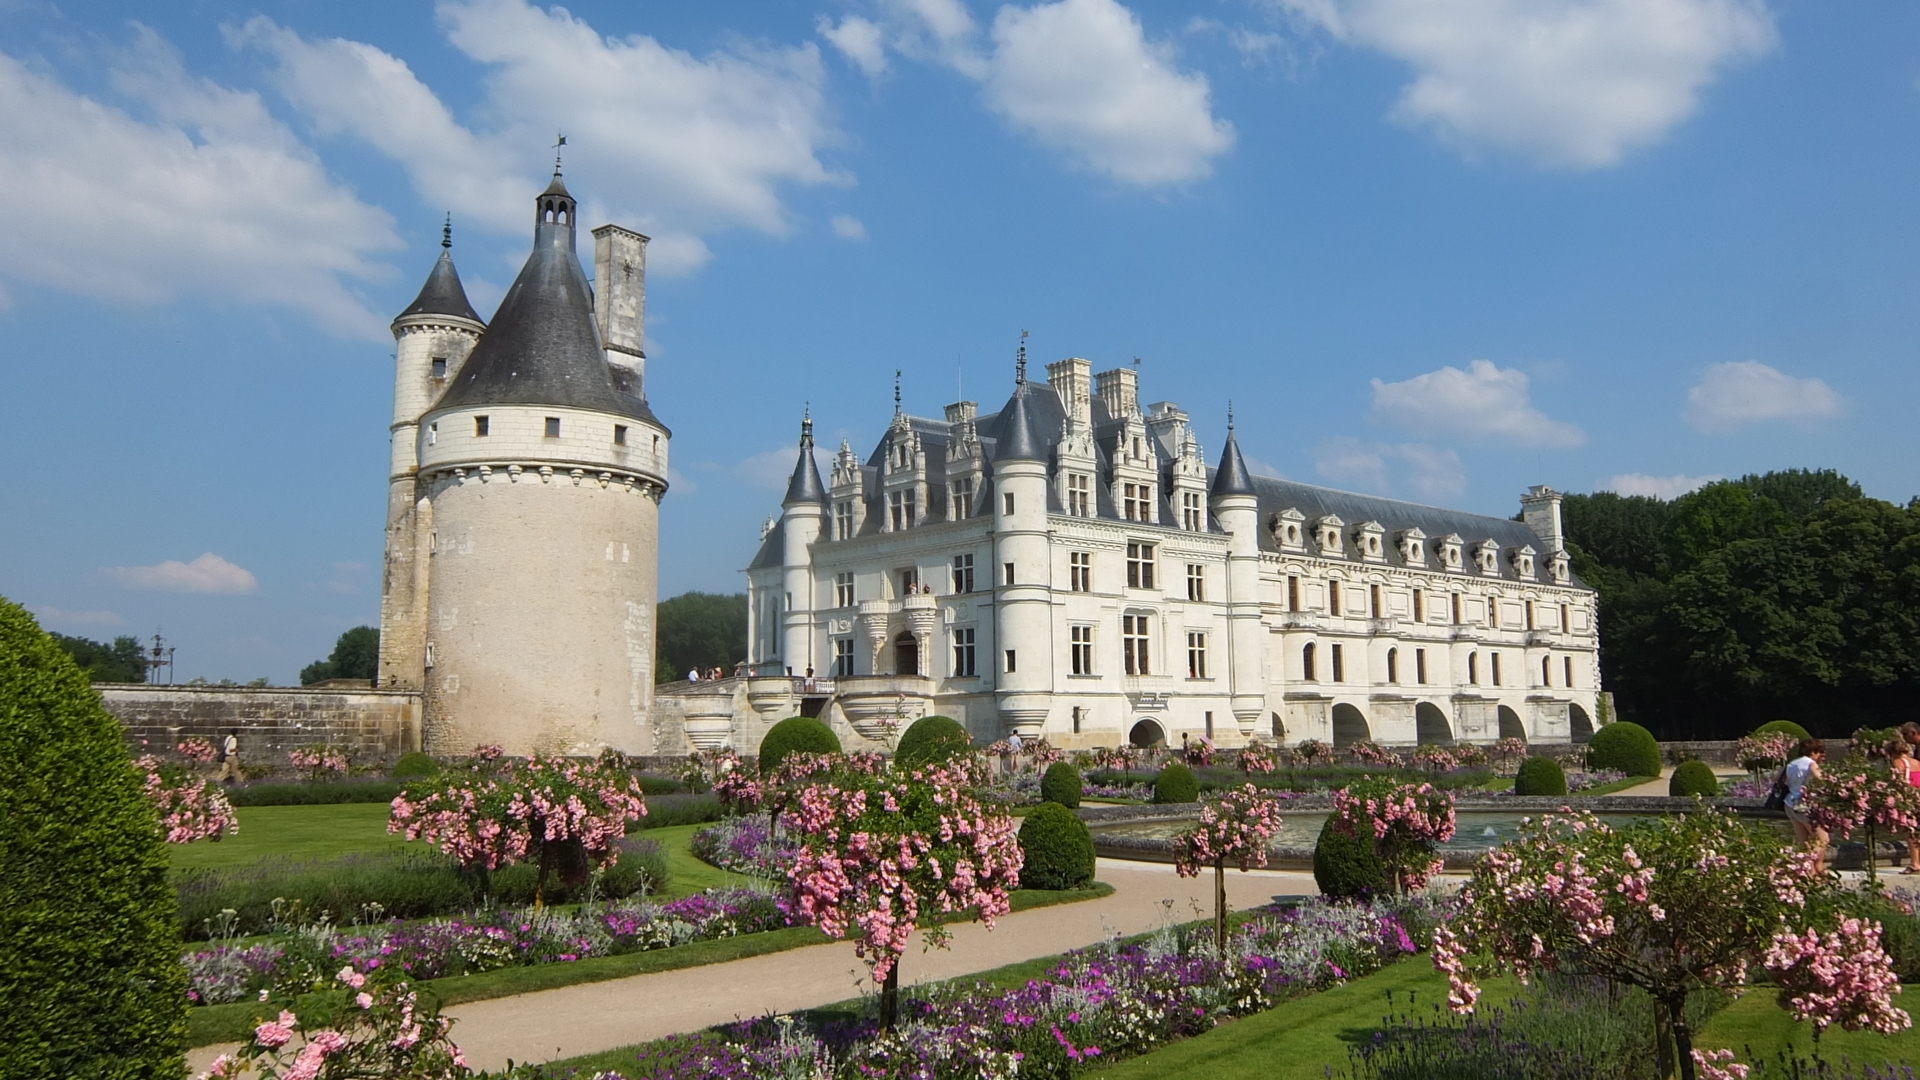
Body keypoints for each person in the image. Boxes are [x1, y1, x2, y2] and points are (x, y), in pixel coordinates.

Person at [1782, 738, 1828, 874]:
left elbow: (1777, 779)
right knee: (1823, 839)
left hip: (1789, 804)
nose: (1821, 756)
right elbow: (1821, 780)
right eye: (1820, 752)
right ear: (1813, 752)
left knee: (1803, 842)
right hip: (1804, 806)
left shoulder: (1791, 764)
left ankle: (1809, 874)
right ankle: (1816, 866)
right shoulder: (1811, 763)